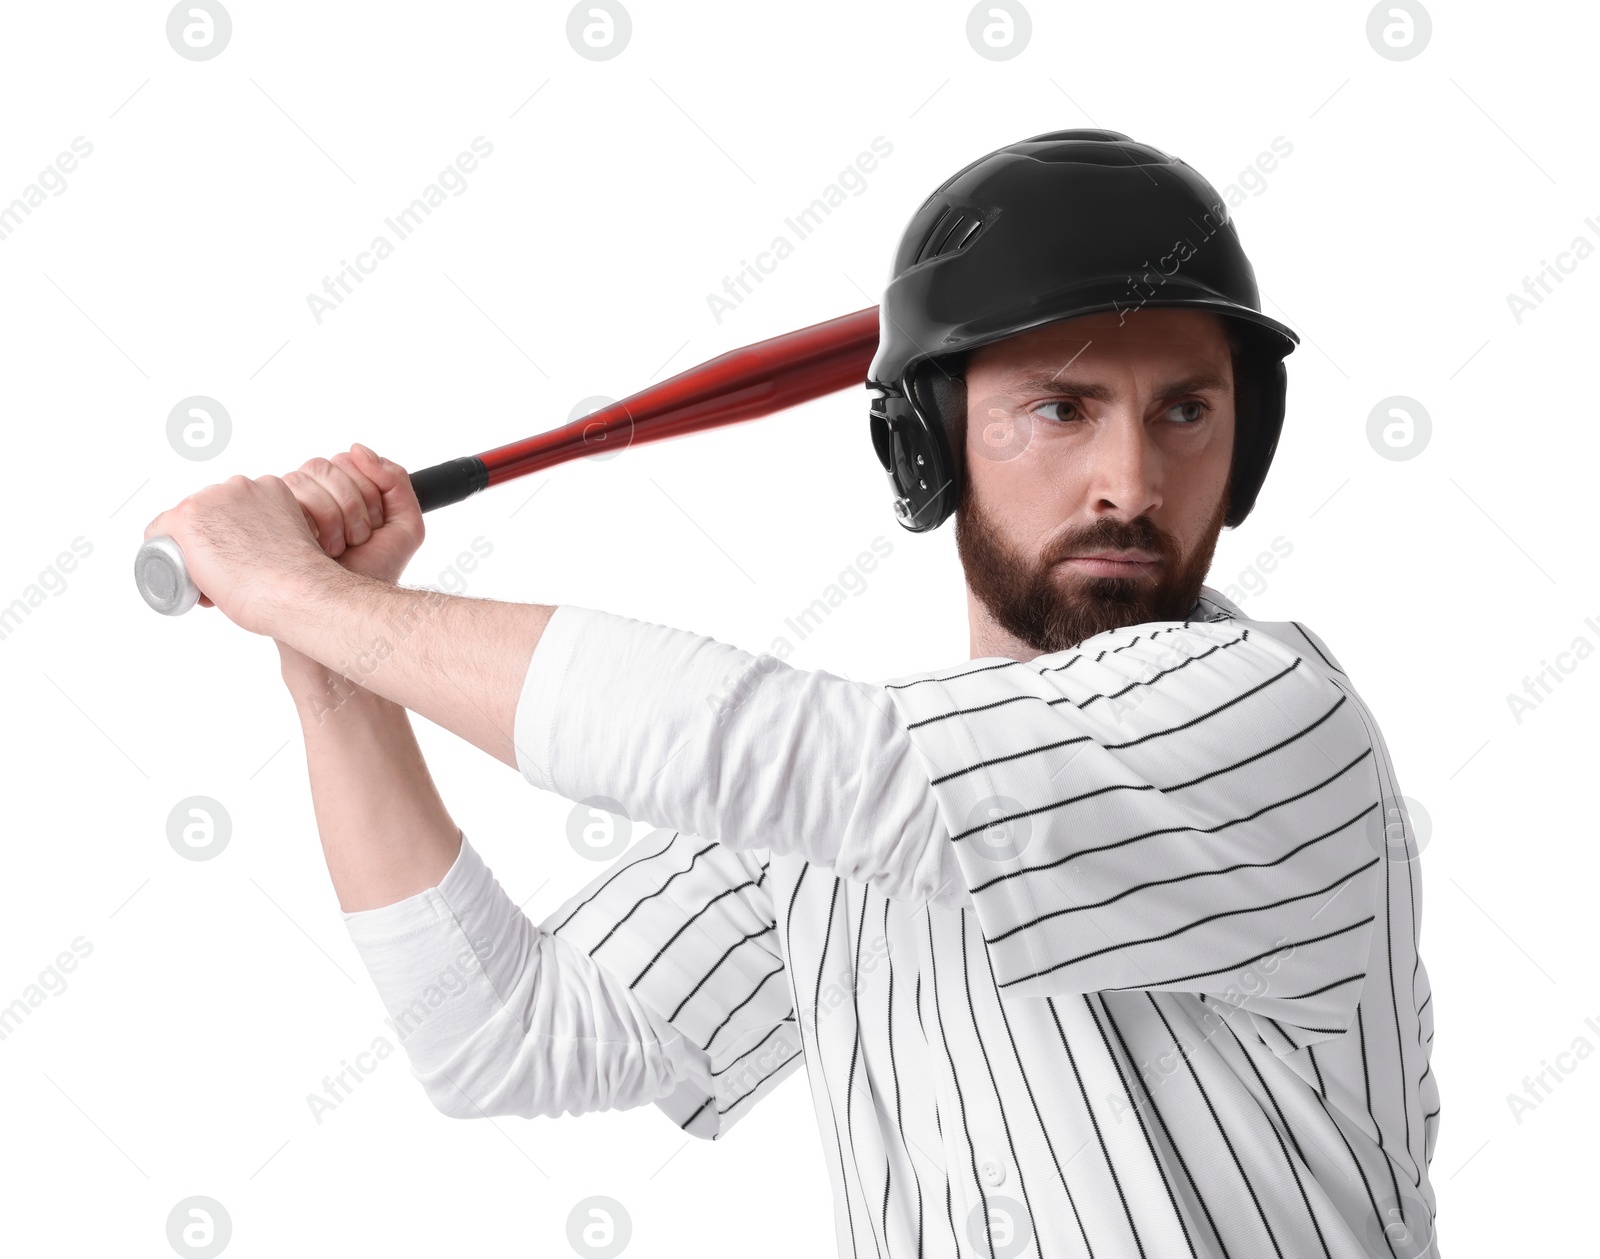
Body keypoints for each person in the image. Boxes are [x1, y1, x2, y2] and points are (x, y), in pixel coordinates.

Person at [145, 131, 1439, 1258]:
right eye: (1061, 407)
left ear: (1247, 442)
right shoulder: (854, 816)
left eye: (1186, 412)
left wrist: (304, 595)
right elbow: (501, 1037)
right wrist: (329, 662)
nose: (1131, 480)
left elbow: (785, 758)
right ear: (923, 443)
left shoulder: (1274, 723)